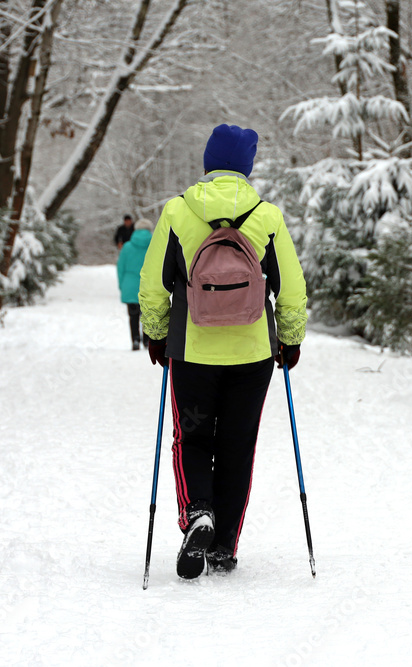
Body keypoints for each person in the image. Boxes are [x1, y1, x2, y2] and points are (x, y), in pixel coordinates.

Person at [138, 123, 307, 579]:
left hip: (192, 352)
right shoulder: (266, 216)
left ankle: (199, 516)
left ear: (207, 162)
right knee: (237, 446)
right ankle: (225, 546)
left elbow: (153, 284)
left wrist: (155, 333)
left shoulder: (177, 211)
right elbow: (291, 288)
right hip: (252, 356)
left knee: (191, 439)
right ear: (248, 168)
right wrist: (289, 339)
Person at [116, 218, 153, 350]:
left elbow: (120, 268)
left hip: (130, 285)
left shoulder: (127, 247)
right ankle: (147, 340)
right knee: (148, 315)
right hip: (148, 285)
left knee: (133, 315)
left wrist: (121, 285)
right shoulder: (155, 246)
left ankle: (135, 340)